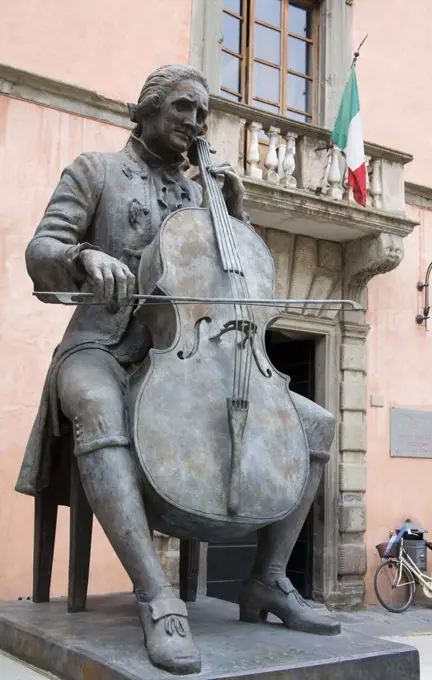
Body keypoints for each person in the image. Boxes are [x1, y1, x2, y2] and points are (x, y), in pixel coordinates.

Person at [16, 64, 339, 676]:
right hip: (103, 349)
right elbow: (42, 250)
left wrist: (234, 211)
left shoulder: (203, 195)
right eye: (182, 108)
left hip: (196, 360)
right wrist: (84, 257)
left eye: (202, 113)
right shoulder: (96, 171)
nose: (194, 123)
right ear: (146, 111)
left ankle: (267, 581)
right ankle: (157, 597)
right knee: (96, 405)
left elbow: (228, 286)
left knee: (315, 424)